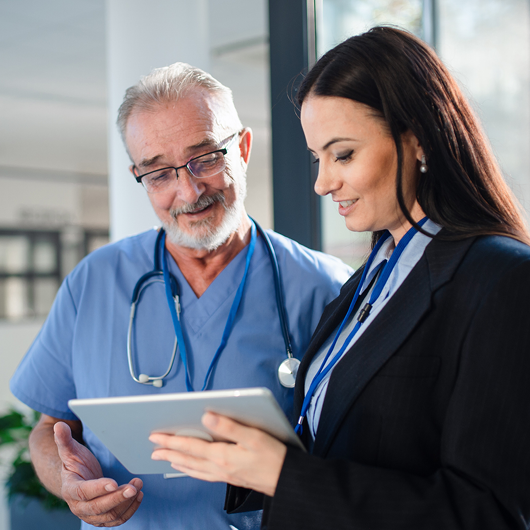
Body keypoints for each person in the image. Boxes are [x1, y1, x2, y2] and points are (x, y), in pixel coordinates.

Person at [148, 27, 530, 530]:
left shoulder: (501, 280)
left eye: (343, 154)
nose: (323, 183)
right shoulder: (370, 279)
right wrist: (252, 457)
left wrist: (284, 474)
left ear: (418, 140)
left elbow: (490, 515)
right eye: (317, 158)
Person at [9, 63, 352, 529]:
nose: (188, 191)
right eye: (159, 174)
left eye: (205, 158)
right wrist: (67, 480)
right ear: (139, 177)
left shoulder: (325, 287)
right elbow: (51, 429)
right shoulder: (93, 281)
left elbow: (359, 451)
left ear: (243, 149)